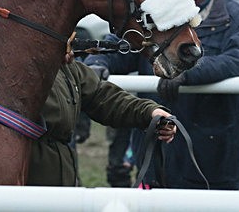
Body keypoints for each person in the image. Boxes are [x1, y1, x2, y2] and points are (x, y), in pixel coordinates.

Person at [85, 0, 239, 189]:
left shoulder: (237, 17)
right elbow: (124, 44)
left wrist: (188, 73)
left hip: (212, 151)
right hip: (158, 147)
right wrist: (98, 60)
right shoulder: (154, 12)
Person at [26, 54, 176, 186]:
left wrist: (150, 112)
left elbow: (100, 95)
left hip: (61, 184)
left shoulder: (64, 63)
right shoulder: (14, 61)